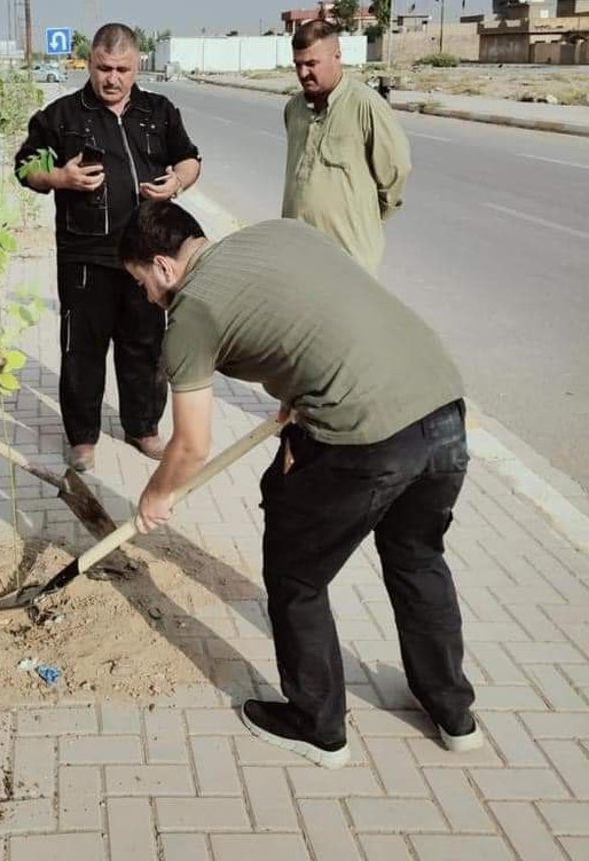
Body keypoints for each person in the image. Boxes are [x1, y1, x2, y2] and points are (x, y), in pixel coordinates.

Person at [120, 200, 480, 769]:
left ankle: (317, 725)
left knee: (296, 574)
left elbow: (190, 445)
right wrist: (299, 389)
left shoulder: (190, 313)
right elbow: (320, 316)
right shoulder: (278, 233)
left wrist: (156, 495)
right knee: (417, 557)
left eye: (140, 282)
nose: (144, 296)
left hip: (366, 436)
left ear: (163, 267)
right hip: (442, 405)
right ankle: (454, 713)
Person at [14, 22, 201, 473]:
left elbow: (190, 159)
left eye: (121, 69)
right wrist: (59, 178)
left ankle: (143, 428)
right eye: (103, 68)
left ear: (137, 67)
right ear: (89, 63)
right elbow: (24, 167)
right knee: (83, 350)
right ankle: (82, 438)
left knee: (145, 346)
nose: (111, 79)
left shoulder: (159, 112)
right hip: (86, 257)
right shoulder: (61, 117)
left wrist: (176, 181)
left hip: (147, 256)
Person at [283, 18, 411, 275]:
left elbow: (396, 171)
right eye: (298, 64)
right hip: (298, 254)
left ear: (337, 57)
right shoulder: (294, 109)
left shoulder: (365, 106)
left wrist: (366, 218)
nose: (303, 73)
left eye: (311, 64)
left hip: (347, 261)